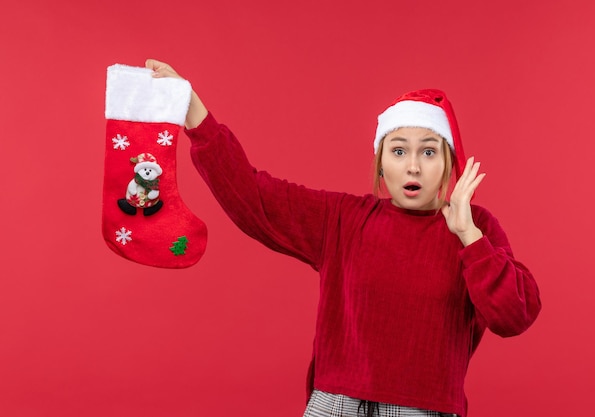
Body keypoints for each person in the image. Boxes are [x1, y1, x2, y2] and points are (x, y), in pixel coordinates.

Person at [145, 59, 541, 417]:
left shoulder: (476, 227)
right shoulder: (343, 219)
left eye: (429, 152)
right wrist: (194, 114)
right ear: (381, 164)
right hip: (336, 405)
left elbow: (514, 316)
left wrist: (469, 236)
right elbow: (253, 197)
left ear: (448, 162)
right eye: (399, 151)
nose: (414, 166)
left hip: (424, 409)